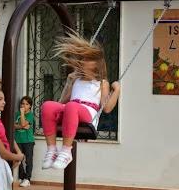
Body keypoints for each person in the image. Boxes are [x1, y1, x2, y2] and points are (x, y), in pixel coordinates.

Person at [41, 31, 121, 169]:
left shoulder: (101, 83)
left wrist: (117, 90)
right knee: (48, 106)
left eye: (87, 59)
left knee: (72, 106)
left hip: (88, 115)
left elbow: (107, 108)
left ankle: (66, 151)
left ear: (96, 64)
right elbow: (61, 103)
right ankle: (52, 150)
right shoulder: (76, 80)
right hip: (71, 110)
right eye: (82, 58)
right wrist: (68, 83)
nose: (82, 61)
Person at [0, 86, 24, 172]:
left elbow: (6, 137)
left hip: (3, 161)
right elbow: (2, 152)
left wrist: (18, 152)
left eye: (3, 99)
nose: (4, 102)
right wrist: (17, 157)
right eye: (0, 99)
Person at [14, 96, 35, 187]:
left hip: (28, 141)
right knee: (19, 159)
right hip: (18, 140)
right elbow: (13, 125)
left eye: (27, 104)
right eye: (22, 103)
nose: (24, 106)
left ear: (30, 106)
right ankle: (22, 177)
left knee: (28, 161)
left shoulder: (30, 115)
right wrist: (22, 126)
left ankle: (27, 179)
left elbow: (22, 124)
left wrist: (22, 114)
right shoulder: (16, 114)